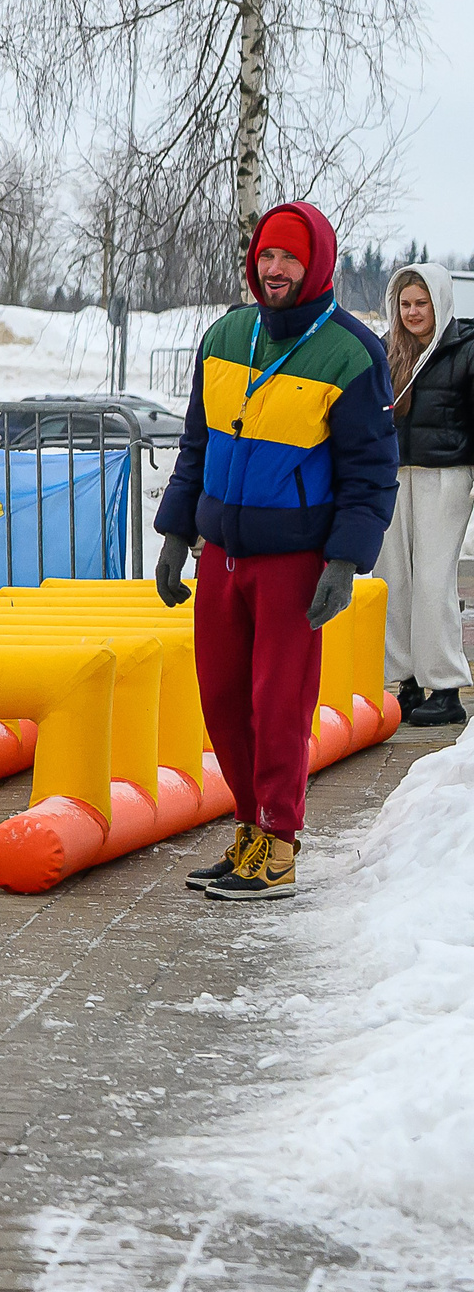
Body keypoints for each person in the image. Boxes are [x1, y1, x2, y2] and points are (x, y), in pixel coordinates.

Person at [154, 201, 398, 902]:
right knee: (224, 699)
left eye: (289, 258)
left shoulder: (352, 354)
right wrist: (176, 533)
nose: (275, 269)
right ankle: (249, 828)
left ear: (316, 263)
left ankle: (281, 842)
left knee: (278, 703)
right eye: (266, 256)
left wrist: (346, 561)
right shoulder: (227, 335)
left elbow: (369, 472)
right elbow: (197, 445)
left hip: (294, 560)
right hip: (221, 555)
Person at [374, 262, 474, 727]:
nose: (413, 312)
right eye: (406, 304)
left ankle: (447, 686)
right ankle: (407, 681)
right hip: (395, 474)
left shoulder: (465, 350)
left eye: (422, 303)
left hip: (445, 473)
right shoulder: (386, 351)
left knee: (433, 580)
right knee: (395, 577)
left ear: (440, 302)